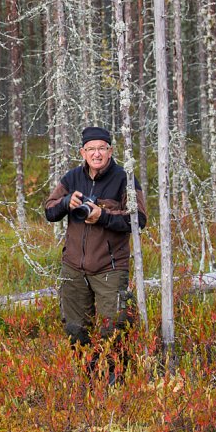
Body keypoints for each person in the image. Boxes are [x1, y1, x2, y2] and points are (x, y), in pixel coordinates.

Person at [44, 125, 147, 370]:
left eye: (101, 148)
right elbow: (49, 210)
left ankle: (116, 383)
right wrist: (67, 202)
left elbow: (139, 220)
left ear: (110, 151)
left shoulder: (125, 179)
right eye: (91, 149)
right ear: (82, 152)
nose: (96, 154)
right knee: (75, 329)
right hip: (73, 268)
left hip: (109, 267)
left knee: (115, 329)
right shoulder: (72, 178)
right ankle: (88, 382)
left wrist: (103, 215)